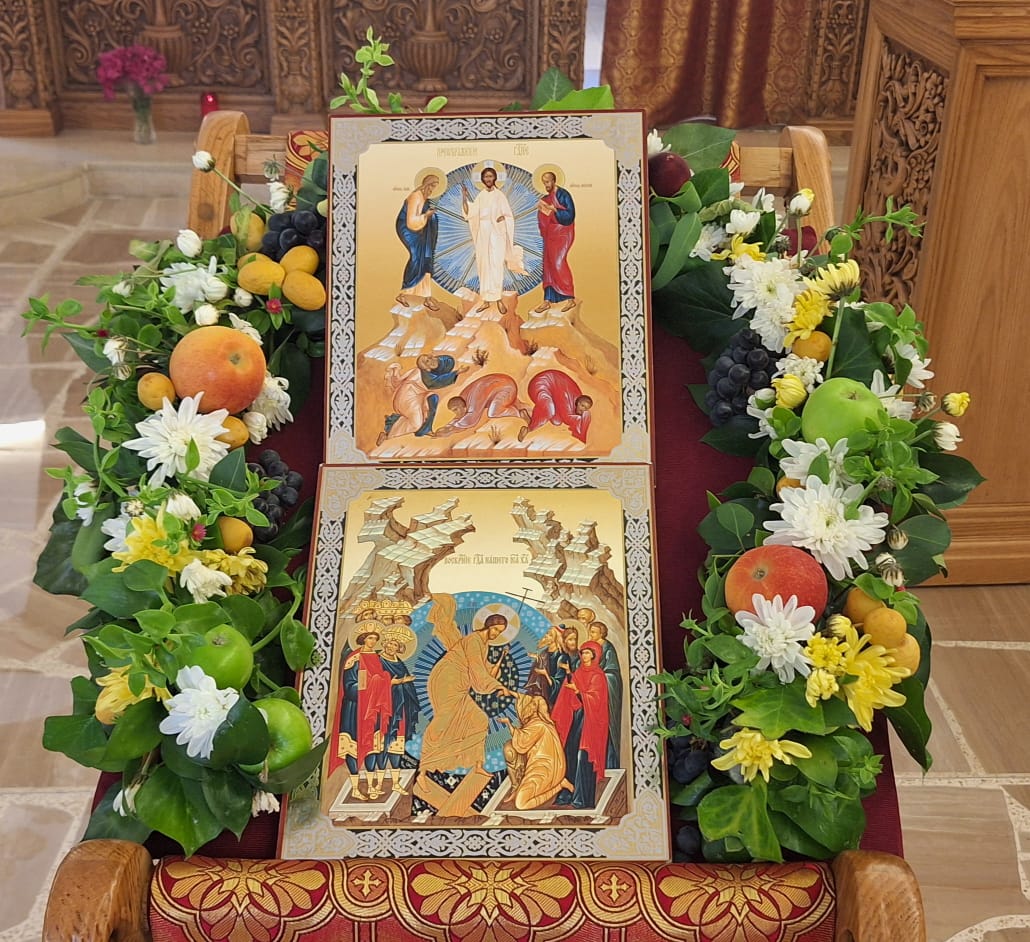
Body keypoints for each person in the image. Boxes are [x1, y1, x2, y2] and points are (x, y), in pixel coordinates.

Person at [415, 603, 517, 816]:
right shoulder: (473, 640)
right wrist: (498, 686)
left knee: (479, 719)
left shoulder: (483, 644)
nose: (496, 634)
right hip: (448, 679)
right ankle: (422, 773)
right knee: (443, 721)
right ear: (487, 625)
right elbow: (478, 671)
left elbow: (481, 672)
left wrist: (494, 670)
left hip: (461, 684)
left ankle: (477, 764)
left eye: (500, 632)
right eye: (495, 629)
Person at [461, 166, 526, 315]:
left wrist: (504, 219)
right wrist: (464, 197)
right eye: (486, 177)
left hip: (497, 233)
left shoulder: (500, 196)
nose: (488, 179)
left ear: (495, 178)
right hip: (483, 233)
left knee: (496, 265)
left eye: (490, 176)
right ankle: (486, 300)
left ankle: (497, 299)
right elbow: (470, 213)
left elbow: (509, 216)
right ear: (482, 179)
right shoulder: (481, 196)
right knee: (483, 265)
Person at [551, 640, 609, 809]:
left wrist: (579, 692)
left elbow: (595, 699)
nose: (584, 655)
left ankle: (582, 799)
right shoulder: (577, 672)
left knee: (583, 757)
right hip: (577, 719)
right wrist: (569, 674)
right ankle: (566, 795)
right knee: (569, 754)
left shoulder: (598, 675)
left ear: (594, 655)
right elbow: (571, 691)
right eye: (582, 652)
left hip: (591, 722)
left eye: (588, 653)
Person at [338, 626, 393, 800]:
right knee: (353, 747)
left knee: (373, 747)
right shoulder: (353, 659)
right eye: (370, 638)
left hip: (374, 709)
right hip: (355, 710)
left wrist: (383, 681)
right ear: (362, 639)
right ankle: (355, 788)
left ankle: (370, 786)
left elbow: (384, 680)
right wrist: (371, 685)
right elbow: (349, 687)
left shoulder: (377, 658)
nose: (373, 642)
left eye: (375, 639)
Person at [499, 694, 573, 810]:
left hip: (545, 769)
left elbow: (522, 742)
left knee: (521, 804)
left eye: (532, 704)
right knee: (509, 748)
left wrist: (509, 724)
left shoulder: (538, 725)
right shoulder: (538, 723)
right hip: (542, 766)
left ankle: (559, 786)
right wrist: (508, 691)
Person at [370, 627, 420, 796]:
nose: (392, 647)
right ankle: (378, 784)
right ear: (385, 644)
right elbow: (372, 682)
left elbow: (407, 683)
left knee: (396, 746)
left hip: (400, 708)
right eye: (391, 643)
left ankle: (396, 783)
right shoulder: (377, 660)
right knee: (382, 745)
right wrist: (397, 682)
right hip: (382, 709)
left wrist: (406, 683)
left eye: (396, 645)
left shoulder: (399, 663)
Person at [378, 353, 469, 444]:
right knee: (415, 424)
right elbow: (438, 381)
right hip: (407, 400)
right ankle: (387, 435)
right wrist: (456, 373)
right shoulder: (426, 376)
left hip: (410, 397)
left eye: (432, 359)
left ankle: (425, 429)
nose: (432, 361)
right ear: (426, 368)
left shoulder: (418, 371)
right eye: (427, 361)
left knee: (432, 398)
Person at [396, 173, 441, 310]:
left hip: (421, 230)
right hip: (408, 229)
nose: (432, 189)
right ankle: (403, 294)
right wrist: (426, 216)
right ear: (426, 184)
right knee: (416, 257)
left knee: (426, 258)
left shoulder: (425, 199)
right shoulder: (415, 196)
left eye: (435, 187)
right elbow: (411, 221)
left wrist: (430, 217)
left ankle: (427, 297)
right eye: (431, 186)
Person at [433, 373, 530, 436]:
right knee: (499, 405)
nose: (456, 413)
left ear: (461, 406)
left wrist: (451, 429)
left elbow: (472, 418)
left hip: (506, 388)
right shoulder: (463, 399)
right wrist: (448, 425)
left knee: (493, 412)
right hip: (502, 386)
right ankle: (528, 413)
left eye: (455, 410)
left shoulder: (473, 400)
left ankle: (519, 413)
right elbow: (461, 416)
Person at [535, 170, 576, 313]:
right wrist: (543, 211)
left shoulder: (563, 195)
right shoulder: (545, 198)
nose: (546, 185)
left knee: (558, 263)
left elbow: (570, 215)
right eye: (544, 183)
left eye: (548, 182)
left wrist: (555, 210)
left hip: (562, 234)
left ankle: (570, 298)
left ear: (554, 180)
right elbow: (542, 218)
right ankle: (547, 300)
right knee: (548, 265)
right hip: (550, 235)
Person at [519, 370, 592, 444]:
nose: (583, 410)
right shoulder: (567, 397)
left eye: (585, 408)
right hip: (539, 385)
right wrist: (579, 419)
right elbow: (566, 418)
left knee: (557, 421)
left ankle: (529, 418)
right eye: (582, 406)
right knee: (549, 410)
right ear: (578, 402)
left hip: (554, 391)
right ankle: (528, 429)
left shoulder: (578, 399)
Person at [588, 620, 623, 768]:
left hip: (606, 696)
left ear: (601, 633)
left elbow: (612, 673)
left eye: (593, 632)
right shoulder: (590, 647)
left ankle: (609, 764)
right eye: (590, 631)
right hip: (593, 697)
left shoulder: (608, 649)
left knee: (606, 730)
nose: (590, 634)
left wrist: (598, 678)